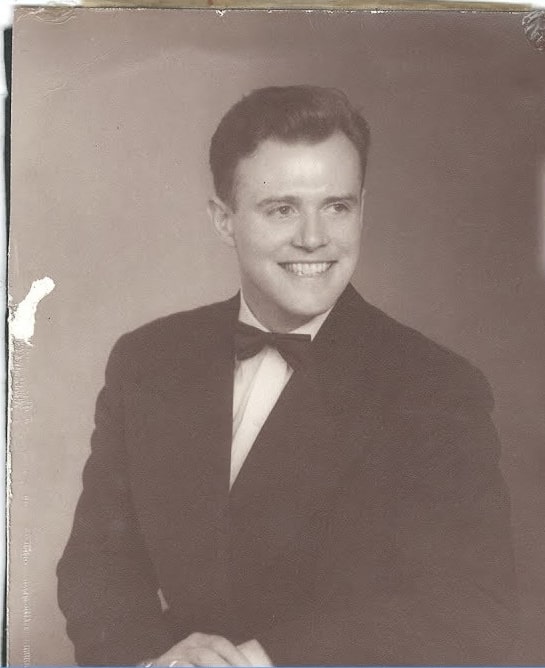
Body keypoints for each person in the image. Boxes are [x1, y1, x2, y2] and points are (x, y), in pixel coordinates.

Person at [57, 85, 518, 666]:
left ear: (362, 208)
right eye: (282, 209)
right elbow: (98, 567)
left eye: (337, 206)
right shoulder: (147, 361)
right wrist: (158, 660)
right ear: (223, 221)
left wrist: (263, 661)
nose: (314, 237)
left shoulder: (437, 388)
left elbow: (470, 610)